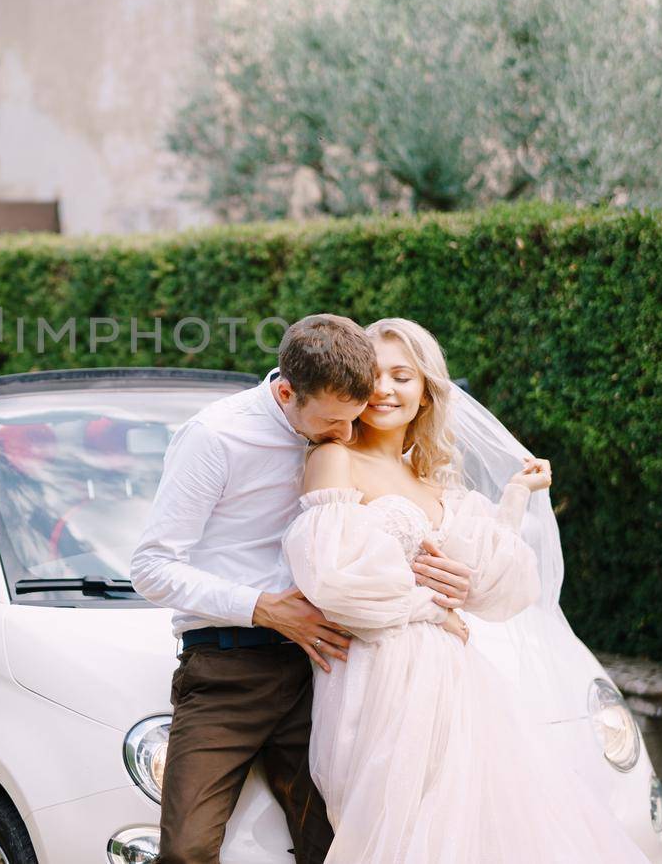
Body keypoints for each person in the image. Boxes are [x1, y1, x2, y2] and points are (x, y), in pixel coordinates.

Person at [283, 317, 646, 862]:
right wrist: (434, 607)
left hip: (459, 683)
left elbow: (504, 587)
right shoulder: (334, 459)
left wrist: (515, 498)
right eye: (374, 374)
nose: (385, 389)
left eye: (402, 376)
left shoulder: (435, 484)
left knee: (479, 830)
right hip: (382, 677)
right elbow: (335, 579)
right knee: (391, 831)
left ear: (426, 391)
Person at [130, 314, 475, 864]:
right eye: (333, 422)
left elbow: (378, 544)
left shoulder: (344, 430)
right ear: (286, 392)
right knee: (186, 849)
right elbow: (150, 568)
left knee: (345, 842)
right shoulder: (215, 435)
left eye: (354, 417)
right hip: (227, 672)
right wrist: (264, 608)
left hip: (327, 670)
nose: (344, 435)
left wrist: (444, 592)